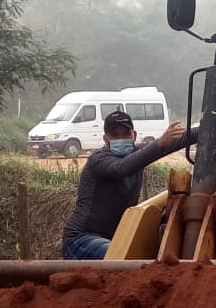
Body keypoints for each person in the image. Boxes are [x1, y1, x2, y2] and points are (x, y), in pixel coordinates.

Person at [61, 111, 197, 259]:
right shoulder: (98, 159)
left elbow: (173, 142)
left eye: (126, 134)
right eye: (115, 135)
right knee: (122, 257)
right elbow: (122, 168)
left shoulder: (138, 153)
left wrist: (208, 130)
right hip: (81, 238)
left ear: (134, 135)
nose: (121, 139)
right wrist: (159, 143)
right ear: (106, 139)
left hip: (114, 239)